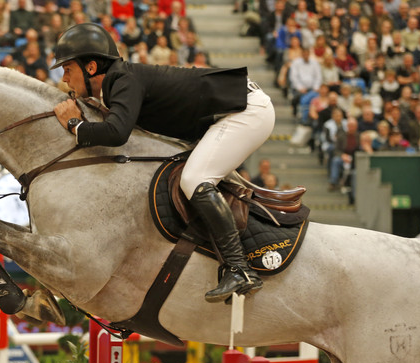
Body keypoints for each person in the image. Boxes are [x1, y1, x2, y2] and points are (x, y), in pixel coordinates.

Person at [50, 23, 275, 302]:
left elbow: (116, 134)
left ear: (92, 67)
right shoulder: (118, 83)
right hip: (232, 110)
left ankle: (239, 268)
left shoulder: (123, 80)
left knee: (194, 179)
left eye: (68, 69)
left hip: (246, 111)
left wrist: (75, 124)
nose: (64, 79)